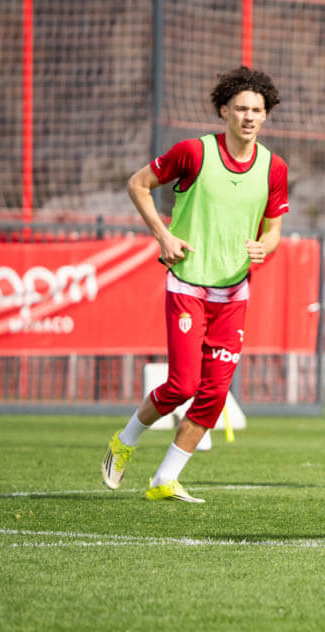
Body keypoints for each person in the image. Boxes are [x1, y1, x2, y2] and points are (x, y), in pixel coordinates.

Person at [101, 67, 289, 503]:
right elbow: (138, 185)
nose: (249, 116)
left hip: (234, 292)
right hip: (188, 286)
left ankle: (164, 479)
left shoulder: (274, 168)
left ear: (266, 115)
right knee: (183, 385)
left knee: (215, 394)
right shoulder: (193, 152)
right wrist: (163, 236)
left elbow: (274, 231)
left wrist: (263, 247)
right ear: (223, 111)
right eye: (241, 108)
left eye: (257, 110)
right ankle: (124, 441)